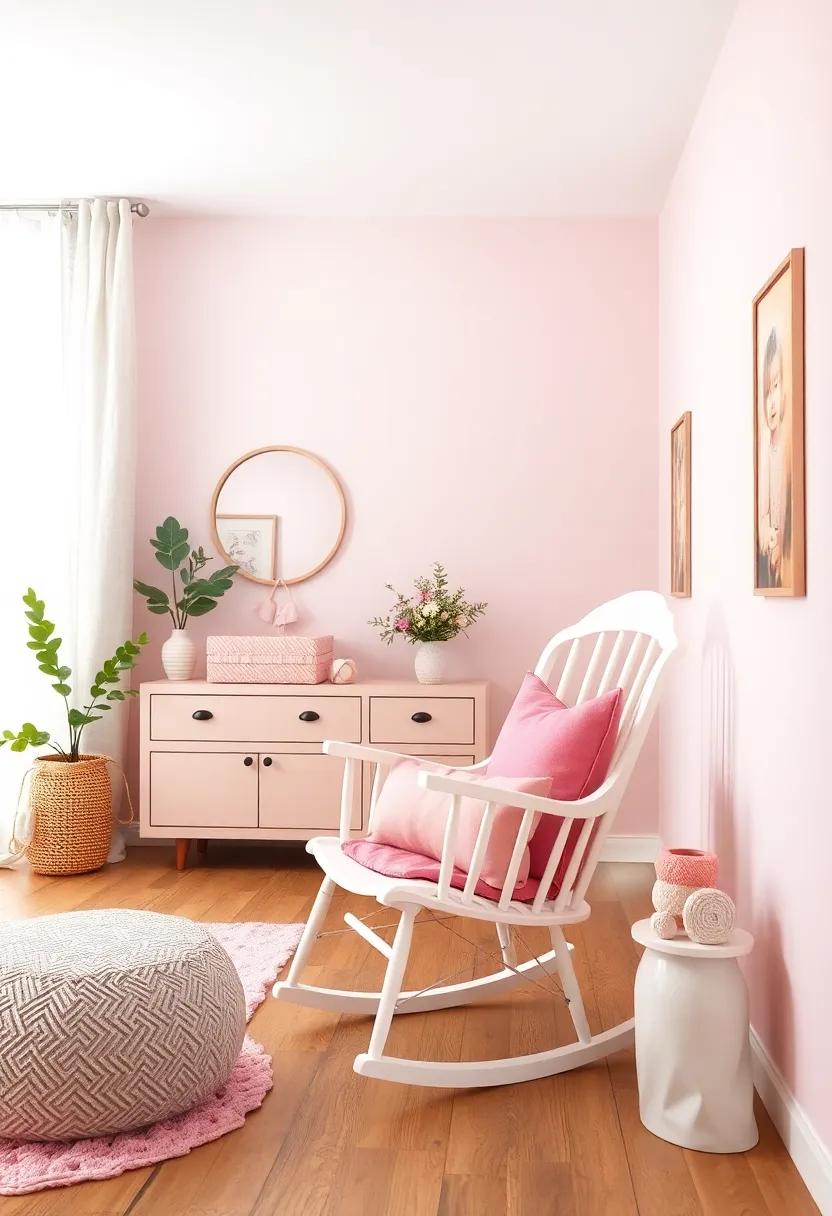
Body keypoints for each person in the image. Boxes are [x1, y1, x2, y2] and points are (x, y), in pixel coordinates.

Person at [757, 327, 790, 588]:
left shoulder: (786, 457)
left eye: (776, 385)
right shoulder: (766, 456)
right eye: (767, 390)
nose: (771, 402)